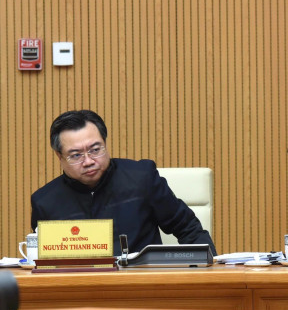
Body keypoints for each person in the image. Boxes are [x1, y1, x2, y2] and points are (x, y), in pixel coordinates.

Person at [31, 110, 216, 256]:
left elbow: (188, 229)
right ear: (59, 156)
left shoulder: (142, 178)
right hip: (79, 288)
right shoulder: (45, 202)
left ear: (105, 144)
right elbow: (43, 259)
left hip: (143, 284)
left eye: (95, 150)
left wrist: (207, 273)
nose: (88, 161)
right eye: (76, 155)